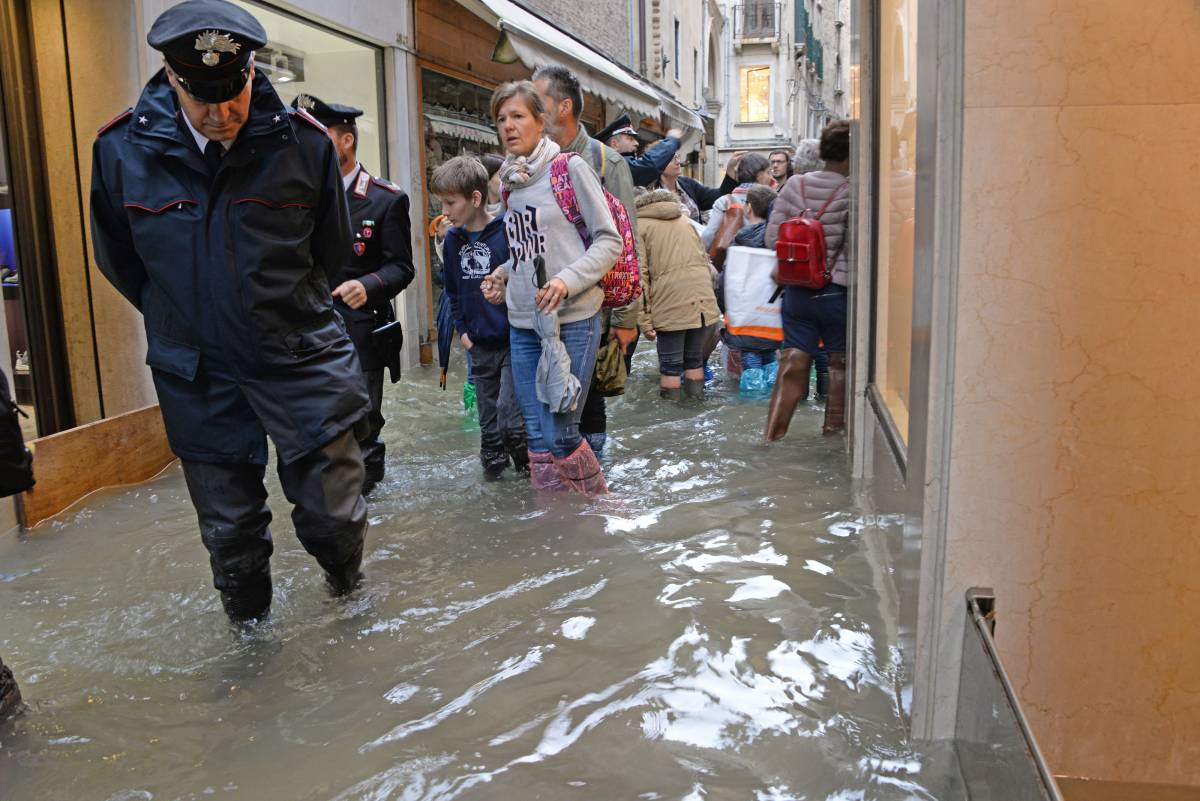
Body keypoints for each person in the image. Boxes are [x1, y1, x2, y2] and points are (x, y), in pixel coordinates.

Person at [90, 0, 368, 622]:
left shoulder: (303, 144)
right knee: (231, 540)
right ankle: (252, 655)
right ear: (172, 80)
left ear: (249, 73)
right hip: (198, 370)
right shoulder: (122, 151)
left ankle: (348, 599)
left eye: (232, 95)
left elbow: (331, 252)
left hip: (299, 353)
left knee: (333, 518)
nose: (220, 114)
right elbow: (121, 262)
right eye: (203, 99)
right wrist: (188, 318)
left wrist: (274, 310)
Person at [481, 81, 621, 495]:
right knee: (537, 442)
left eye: (518, 116)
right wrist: (503, 274)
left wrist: (565, 280)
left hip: (573, 318)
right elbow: (527, 251)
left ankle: (601, 509)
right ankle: (557, 524)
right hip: (523, 322)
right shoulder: (510, 182)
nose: (508, 126)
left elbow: (608, 240)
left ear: (541, 121)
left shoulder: (569, 168)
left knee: (560, 432)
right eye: (501, 119)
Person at [292, 94, 415, 495]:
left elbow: (402, 267)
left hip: (361, 330)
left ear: (345, 141)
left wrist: (368, 285)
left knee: (363, 424)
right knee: (312, 426)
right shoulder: (297, 199)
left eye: (320, 137)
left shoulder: (385, 199)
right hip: (305, 332)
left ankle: (367, 516)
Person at [532, 64, 638, 458]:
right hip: (542, 305)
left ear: (562, 107)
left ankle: (590, 490)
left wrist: (627, 320)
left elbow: (627, 242)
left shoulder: (606, 163)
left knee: (586, 401)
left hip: (593, 304)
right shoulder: (531, 160)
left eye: (536, 100)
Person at [433, 156, 527, 479]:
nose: (444, 211)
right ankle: (495, 501)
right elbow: (453, 292)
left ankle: (530, 483)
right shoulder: (452, 242)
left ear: (475, 199)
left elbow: (524, 276)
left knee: (510, 421)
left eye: (450, 202)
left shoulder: (506, 232)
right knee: (489, 435)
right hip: (479, 344)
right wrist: (462, 333)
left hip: (513, 340)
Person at [763, 120, 852, 439]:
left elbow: (772, 239)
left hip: (796, 293)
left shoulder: (795, 185)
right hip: (837, 293)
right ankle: (833, 436)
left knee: (793, 360)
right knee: (839, 364)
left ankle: (772, 435)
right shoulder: (854, 190)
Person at [634, 188, 721, 401]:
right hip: (702, 299)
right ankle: (696, 406)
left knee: (670, 366)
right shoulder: (684, 221)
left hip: (670, 300)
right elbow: (706, 263)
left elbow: (640, 276)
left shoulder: (640, 226)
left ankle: (669, 417)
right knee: (694, 360)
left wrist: (644, 321)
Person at [725, 184, 779, 394]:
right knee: (770, 358)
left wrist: (725, 307)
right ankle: (774, 397)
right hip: (774, 314)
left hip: (747, 315)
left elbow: (727, 281)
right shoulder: (779, 238)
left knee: (751, 360)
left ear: (748, 207)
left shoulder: (741, 239)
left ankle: (752, 405)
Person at [701, 152, 772, 251]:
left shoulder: (725, 201)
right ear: (759, 176)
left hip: (731, 261)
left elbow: (709, 234)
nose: (771, 177)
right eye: (768, 172)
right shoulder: (771, 201)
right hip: (762, 261)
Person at [596, 112, 683, 187]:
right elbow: (649, 166)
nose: (636, 143)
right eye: (630, 139)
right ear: (615, 144)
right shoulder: (614, 165)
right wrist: (672, 140)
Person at [481, 153, 505, 218]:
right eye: (501, 176)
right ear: (487, 180)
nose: (506, 180)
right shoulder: (473, 208)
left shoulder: (513, 207)